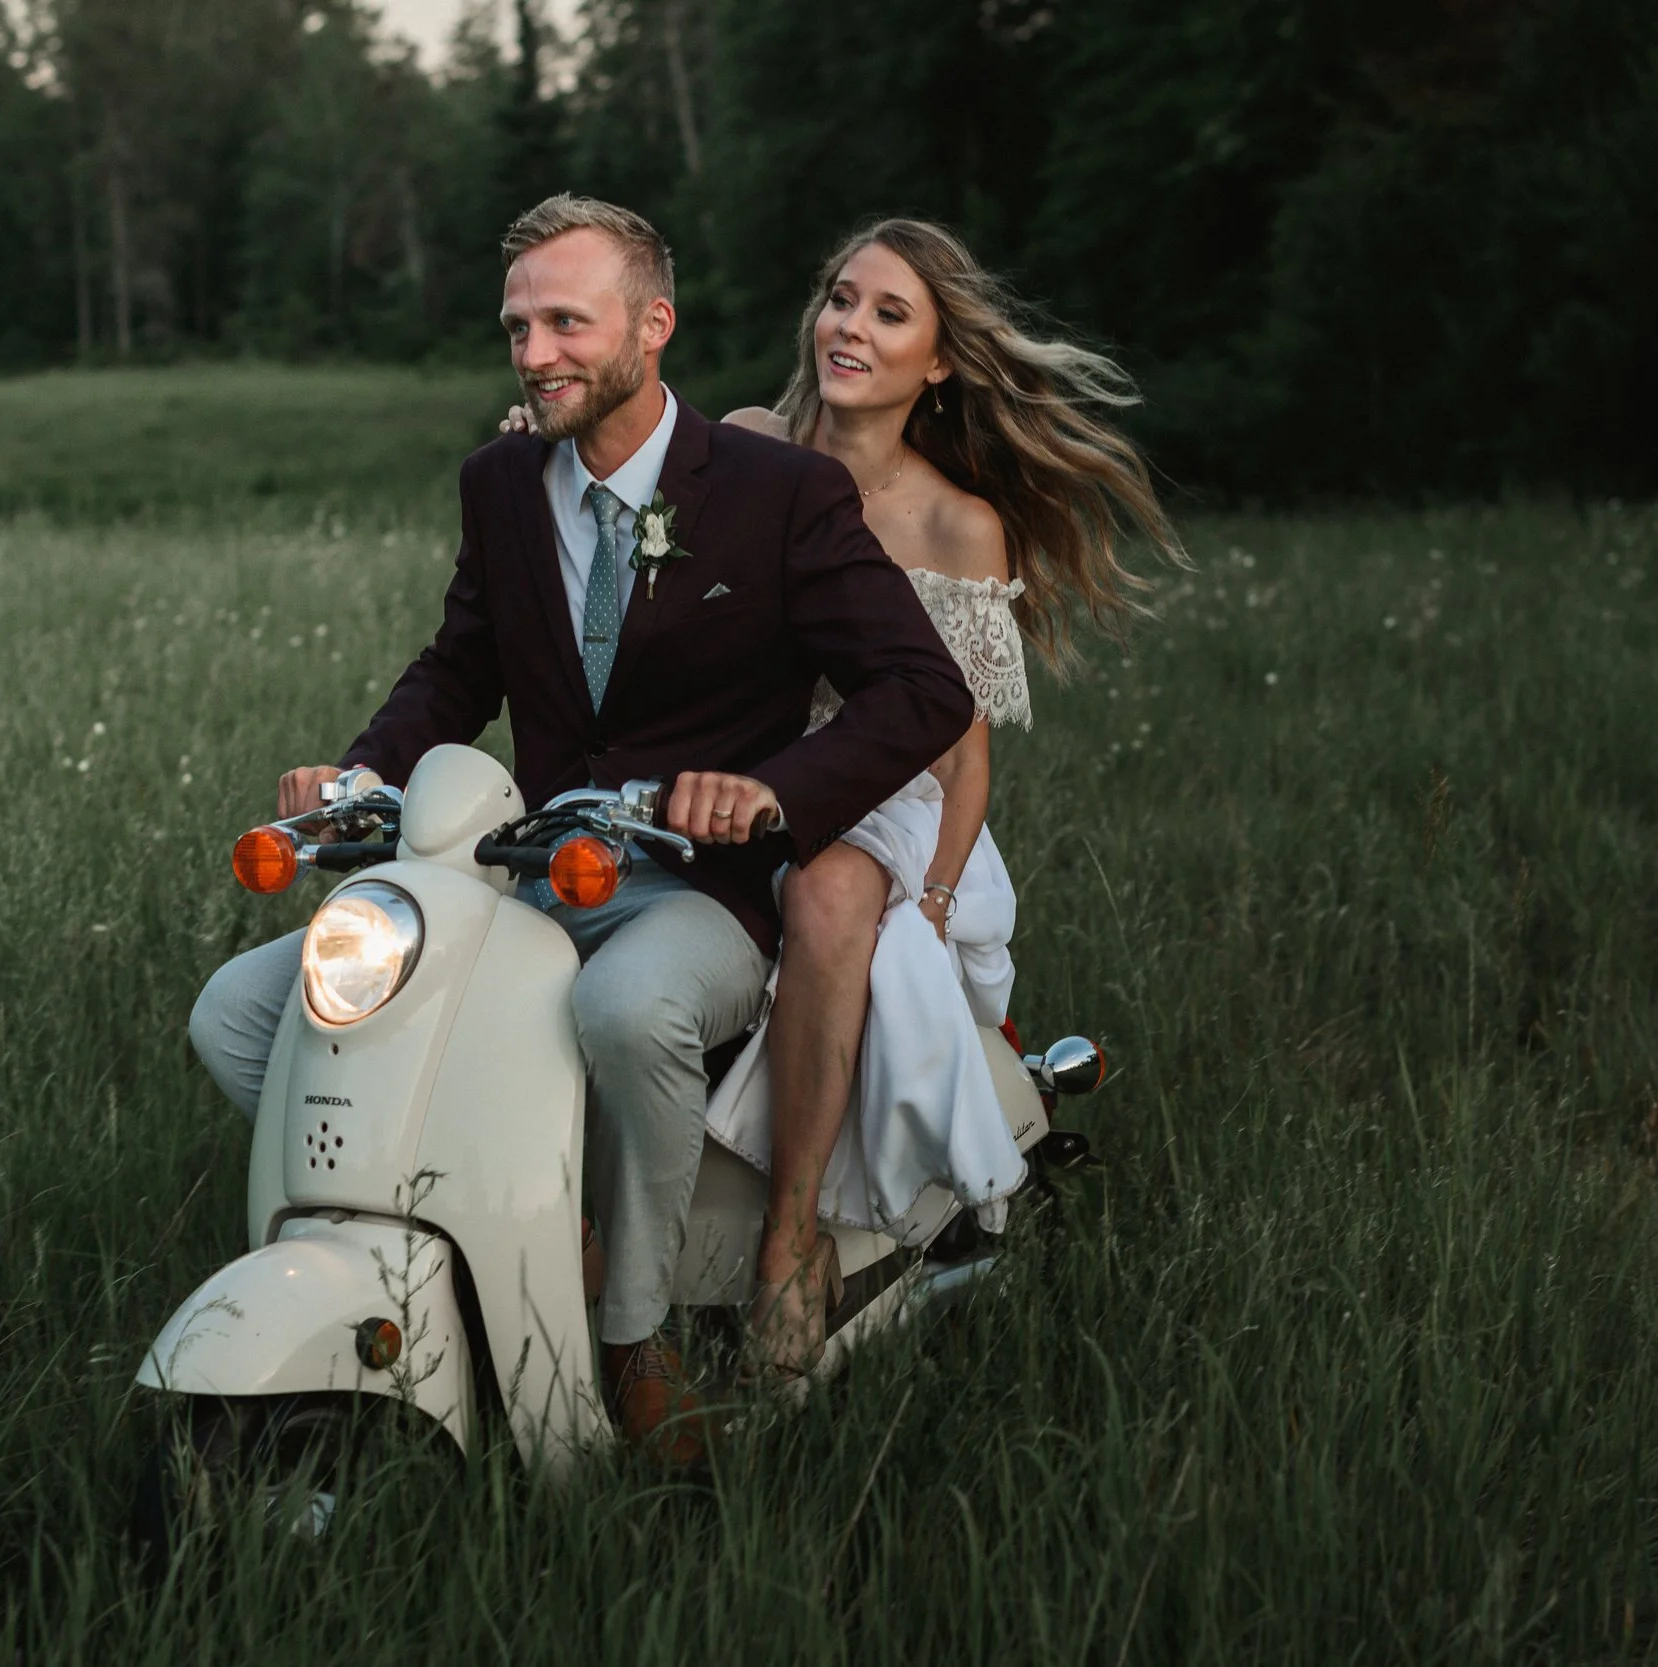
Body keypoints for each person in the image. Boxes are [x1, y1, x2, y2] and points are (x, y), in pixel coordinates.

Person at [185, 195, 973, 1461]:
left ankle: (634, 1334)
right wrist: (359, 773)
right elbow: (461, 664)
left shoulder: (778, 491)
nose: (535, 352)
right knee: (239, 1010)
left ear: (652, 326)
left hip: (699, 888)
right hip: (526, 872)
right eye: (518, 327)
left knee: (628, 1009)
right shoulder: (500, 481)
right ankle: (499, 1237)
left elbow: (924, 691)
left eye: (567, 323)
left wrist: (772, 791)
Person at [699, 219, 1186, 1383]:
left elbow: (960, 756)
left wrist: (934, 893)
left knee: (828, 894)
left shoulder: (955, 522)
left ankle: (790, 1239)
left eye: (888, 313)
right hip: (737, 761)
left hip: (886, 789)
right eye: (840, 297)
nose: (850, 327)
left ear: (940, 361)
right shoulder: (746, 444)